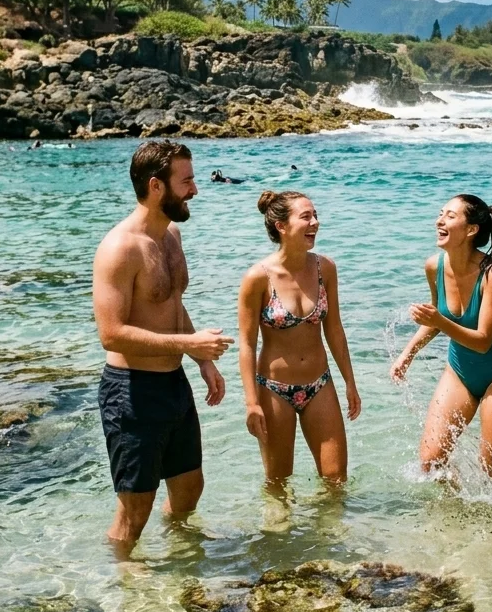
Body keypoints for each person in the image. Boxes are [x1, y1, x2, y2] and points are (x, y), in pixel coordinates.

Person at [92, 140, 232, 556]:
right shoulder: (120, 249)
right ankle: (127, 580)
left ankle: (179, 555)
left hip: (173, 383)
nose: (195, 190)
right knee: (136, 506)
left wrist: (200, 358)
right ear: (157, 186)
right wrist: (188, 342)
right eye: (186, 181)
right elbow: (112, 333)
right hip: (131, 391)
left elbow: (171, 303)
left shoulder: (170, 235)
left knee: (189, 487)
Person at [391, 195, 492, 484]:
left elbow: (483, 341)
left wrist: (438, 320)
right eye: (441, 214)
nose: (440, 220)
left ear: (471, 229)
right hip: (459, 371)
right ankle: (455, 519)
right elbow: (436, 320)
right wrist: (407, 355)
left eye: (450, 216)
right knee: (430, 462)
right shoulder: (433, 266)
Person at [237, 191, 361, 486]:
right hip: (274, 389)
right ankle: (278, 534)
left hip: (319, 384)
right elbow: (246, 344)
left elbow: (334, 330)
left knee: (336, 481)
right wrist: (251, 403)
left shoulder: (324, 268)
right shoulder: (257, 278)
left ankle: (331, 534)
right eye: (306, 216)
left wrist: (350, 383)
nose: (315, 222)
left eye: (315, 215)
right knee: (278, 483)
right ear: (281, 226)